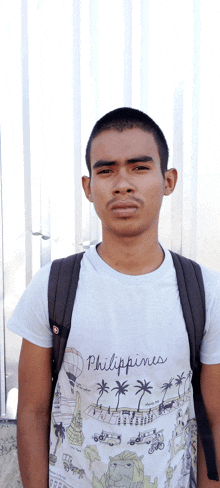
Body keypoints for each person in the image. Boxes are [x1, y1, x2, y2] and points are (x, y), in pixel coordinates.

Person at [7, 107, 220, 488]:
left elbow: (216, 417)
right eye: (106, 171)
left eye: (139, 168)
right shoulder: (53, 286)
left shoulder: (205, 291)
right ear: (88, 187)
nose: (122, 184)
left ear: (168, 180)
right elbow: (33, 412)